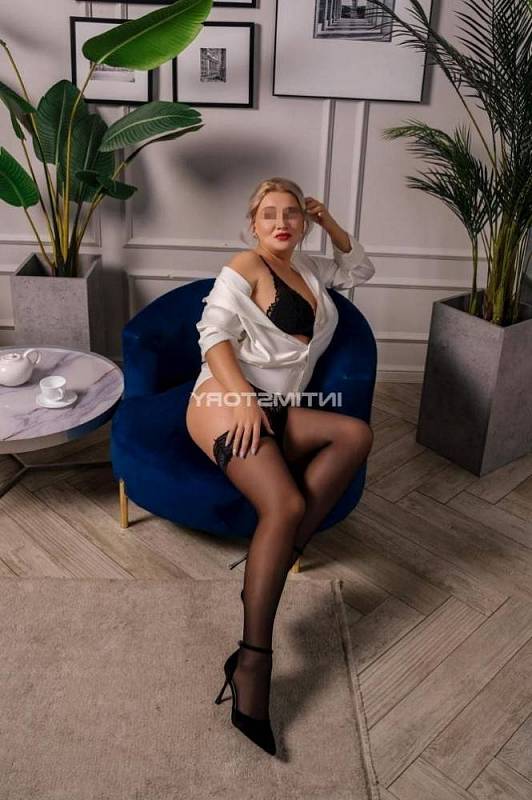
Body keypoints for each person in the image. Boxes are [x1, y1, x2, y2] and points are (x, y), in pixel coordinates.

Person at [185, 177, 375, 755]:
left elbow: (360, 270)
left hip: (282, 407)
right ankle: (252, 663)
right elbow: (212, 334)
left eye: (292, 214)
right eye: (269, 214)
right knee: (285, 503)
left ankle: (273, 559)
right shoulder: (246, 264)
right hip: (223, 401)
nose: (281, 223)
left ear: (305, 222)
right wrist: (241, 399)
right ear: (254, 223)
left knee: (355, 435)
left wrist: (332, 222)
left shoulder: (311, 270)